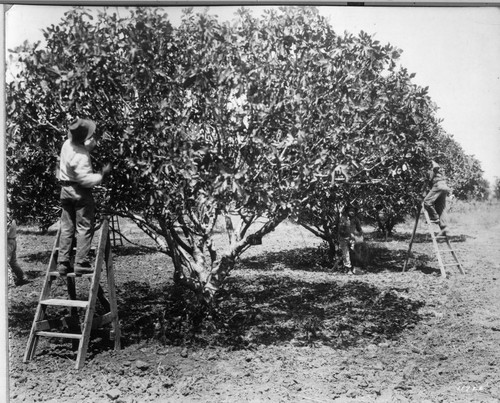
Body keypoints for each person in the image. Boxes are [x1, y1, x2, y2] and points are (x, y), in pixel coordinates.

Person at [57, 118, 111, 276]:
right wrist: (102, 174)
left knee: (67, 227)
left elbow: (80, 147)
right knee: (84, 227)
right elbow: (85, 180)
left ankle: (63, 262)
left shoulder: (67, 144)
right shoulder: (81, 156)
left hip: (65, 190)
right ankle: (81, 262)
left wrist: (90, 145)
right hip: (79, 191)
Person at [423, 160, 451, 236]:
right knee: (440, 208)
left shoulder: (432, 165)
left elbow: (429, 178)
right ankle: (445, 229)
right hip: (444, 186)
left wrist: (424, 190)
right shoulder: (440, 167)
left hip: (438, 185)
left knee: (427, 201)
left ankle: (434, 217)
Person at [338, 205, 364, 275]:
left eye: (353, 211)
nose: (352, 212)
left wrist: (359, 235)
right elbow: (341, 230)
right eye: (350, 211)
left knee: (353, 252)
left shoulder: (355, 219)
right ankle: (347, 268)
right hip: (344, 238)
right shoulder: (343, 219)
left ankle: (354, 268)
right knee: (346, 253)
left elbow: (359, 229)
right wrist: (347, 235)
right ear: (347, 211)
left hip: (352, 238)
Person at [7, 214, 27, 286]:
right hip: (12, 240)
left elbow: (5, 232)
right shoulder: (11, 217)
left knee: (5, 262)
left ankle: (9, 283)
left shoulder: (6, 217)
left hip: (8, 242)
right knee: (13, 262)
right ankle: (22, 277)